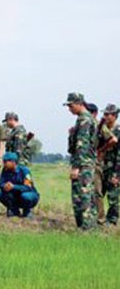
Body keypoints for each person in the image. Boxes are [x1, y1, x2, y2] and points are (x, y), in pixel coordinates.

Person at [65, 93, 97, 230]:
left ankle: (85, 228)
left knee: (81, 196)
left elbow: (81, 145)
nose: (69, 109)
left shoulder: (84, 120)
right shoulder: (88, 119)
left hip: (83, 164)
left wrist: (76, 167)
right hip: (88, 163)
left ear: (79, 103)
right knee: (89, 195)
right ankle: (91, 226)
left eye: (71, 105)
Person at [96, 104, 120, 225]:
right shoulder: (102, 129)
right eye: (104, 114)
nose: (104, 116)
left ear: (114, 116)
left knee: (113, 196)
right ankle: (100, 219)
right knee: (99, 193)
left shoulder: (118, 131)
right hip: (101, 166)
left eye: (107, 114)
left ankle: (112, 220)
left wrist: (117, 174)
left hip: (114, 167)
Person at [0, 152, 39, 218]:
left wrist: (14, 187)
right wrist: (4, 186)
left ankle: (27, 211)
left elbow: (28, 187)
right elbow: (0, 183)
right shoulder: (5, 170)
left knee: (26, 196)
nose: (4, 163)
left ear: (13, 162)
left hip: (28, 194)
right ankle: (14, 210)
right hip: (15, 196)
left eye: (5, 162)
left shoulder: (24, 170)